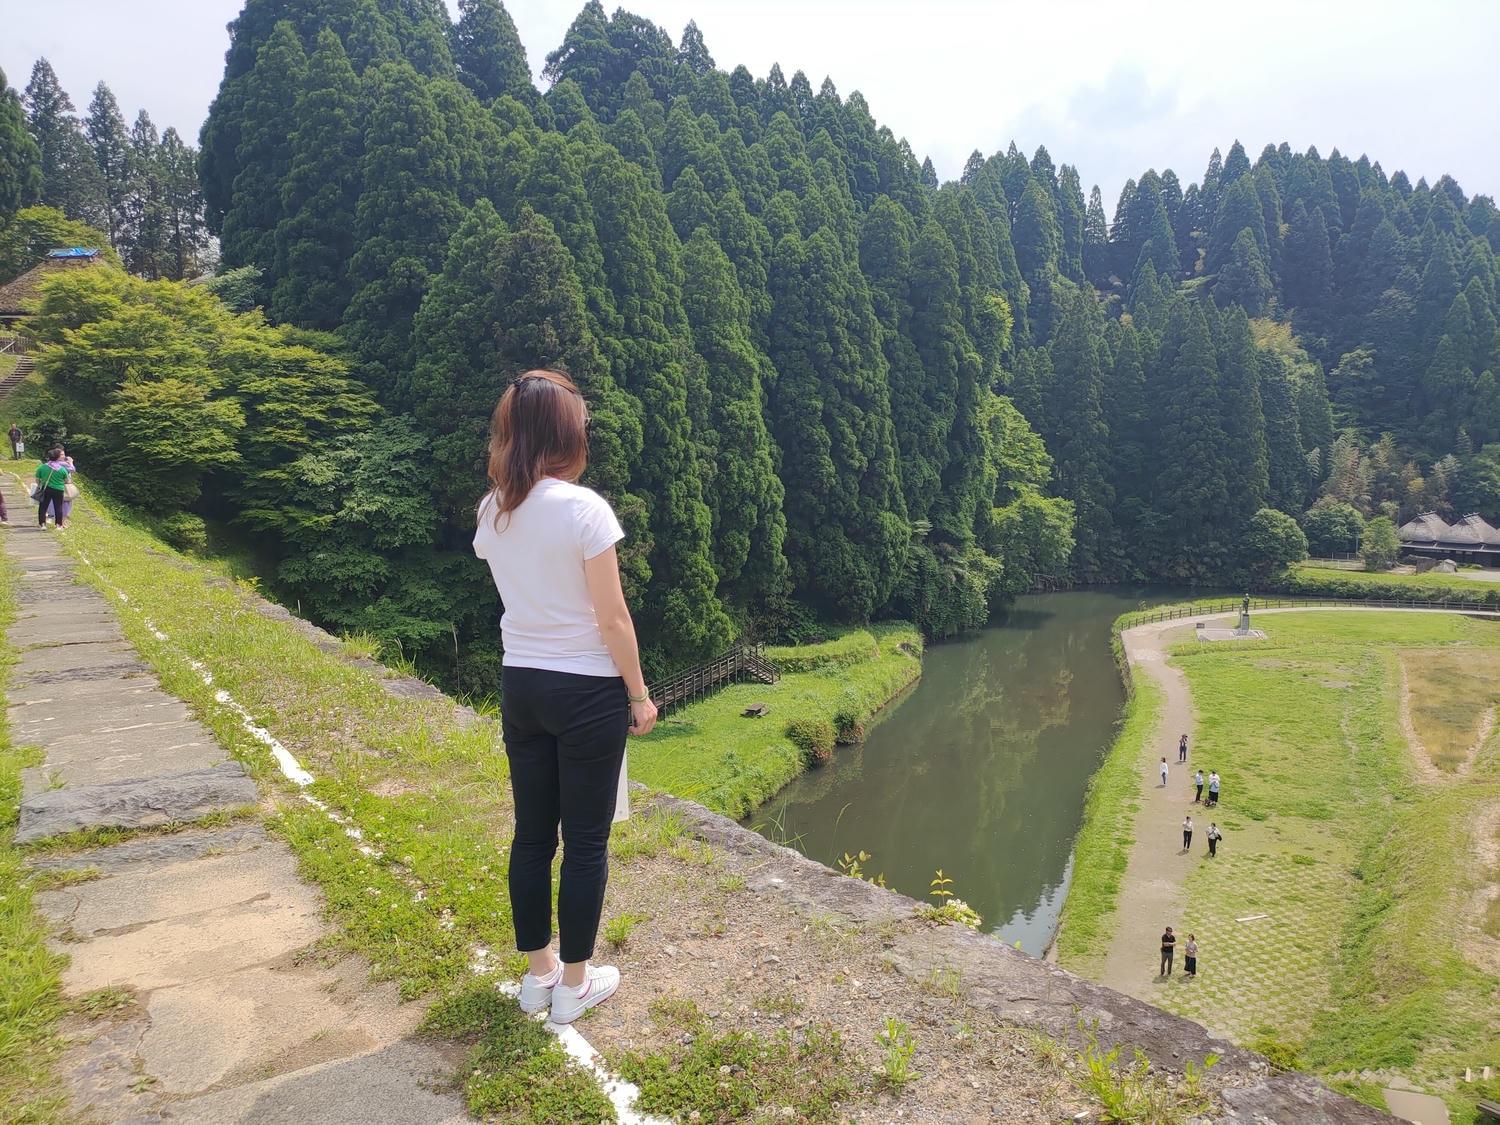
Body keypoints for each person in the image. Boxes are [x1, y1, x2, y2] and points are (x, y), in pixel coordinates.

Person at [473, 369, 657, 1027]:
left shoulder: (493, 511)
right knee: (584, 842)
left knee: (531, 834)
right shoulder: (585, 509)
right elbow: (612, 618)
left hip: (521, 683)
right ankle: (575, 985)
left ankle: (539, 976)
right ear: (566, 435)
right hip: (585, 690)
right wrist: (639, 694)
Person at [34, 447, 72, 530]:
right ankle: (58, 525)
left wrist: (40, 485)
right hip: (59, 490)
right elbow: (67, 481)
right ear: (57, 458)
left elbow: (37, 479)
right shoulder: (61, 469)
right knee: (58, 507)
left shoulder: (42, 467)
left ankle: (42, 524)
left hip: (45, 489)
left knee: (43, 507)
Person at [54, 447, 76, 526]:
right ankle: (62, 522)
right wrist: (71, 462)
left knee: (58, 504)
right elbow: (72, 469)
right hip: (64, 486)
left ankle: (59, 522)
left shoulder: (51, 463)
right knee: (66, 504)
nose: (64, 456)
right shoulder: (63, 464)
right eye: (62, 455)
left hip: (55, 485)